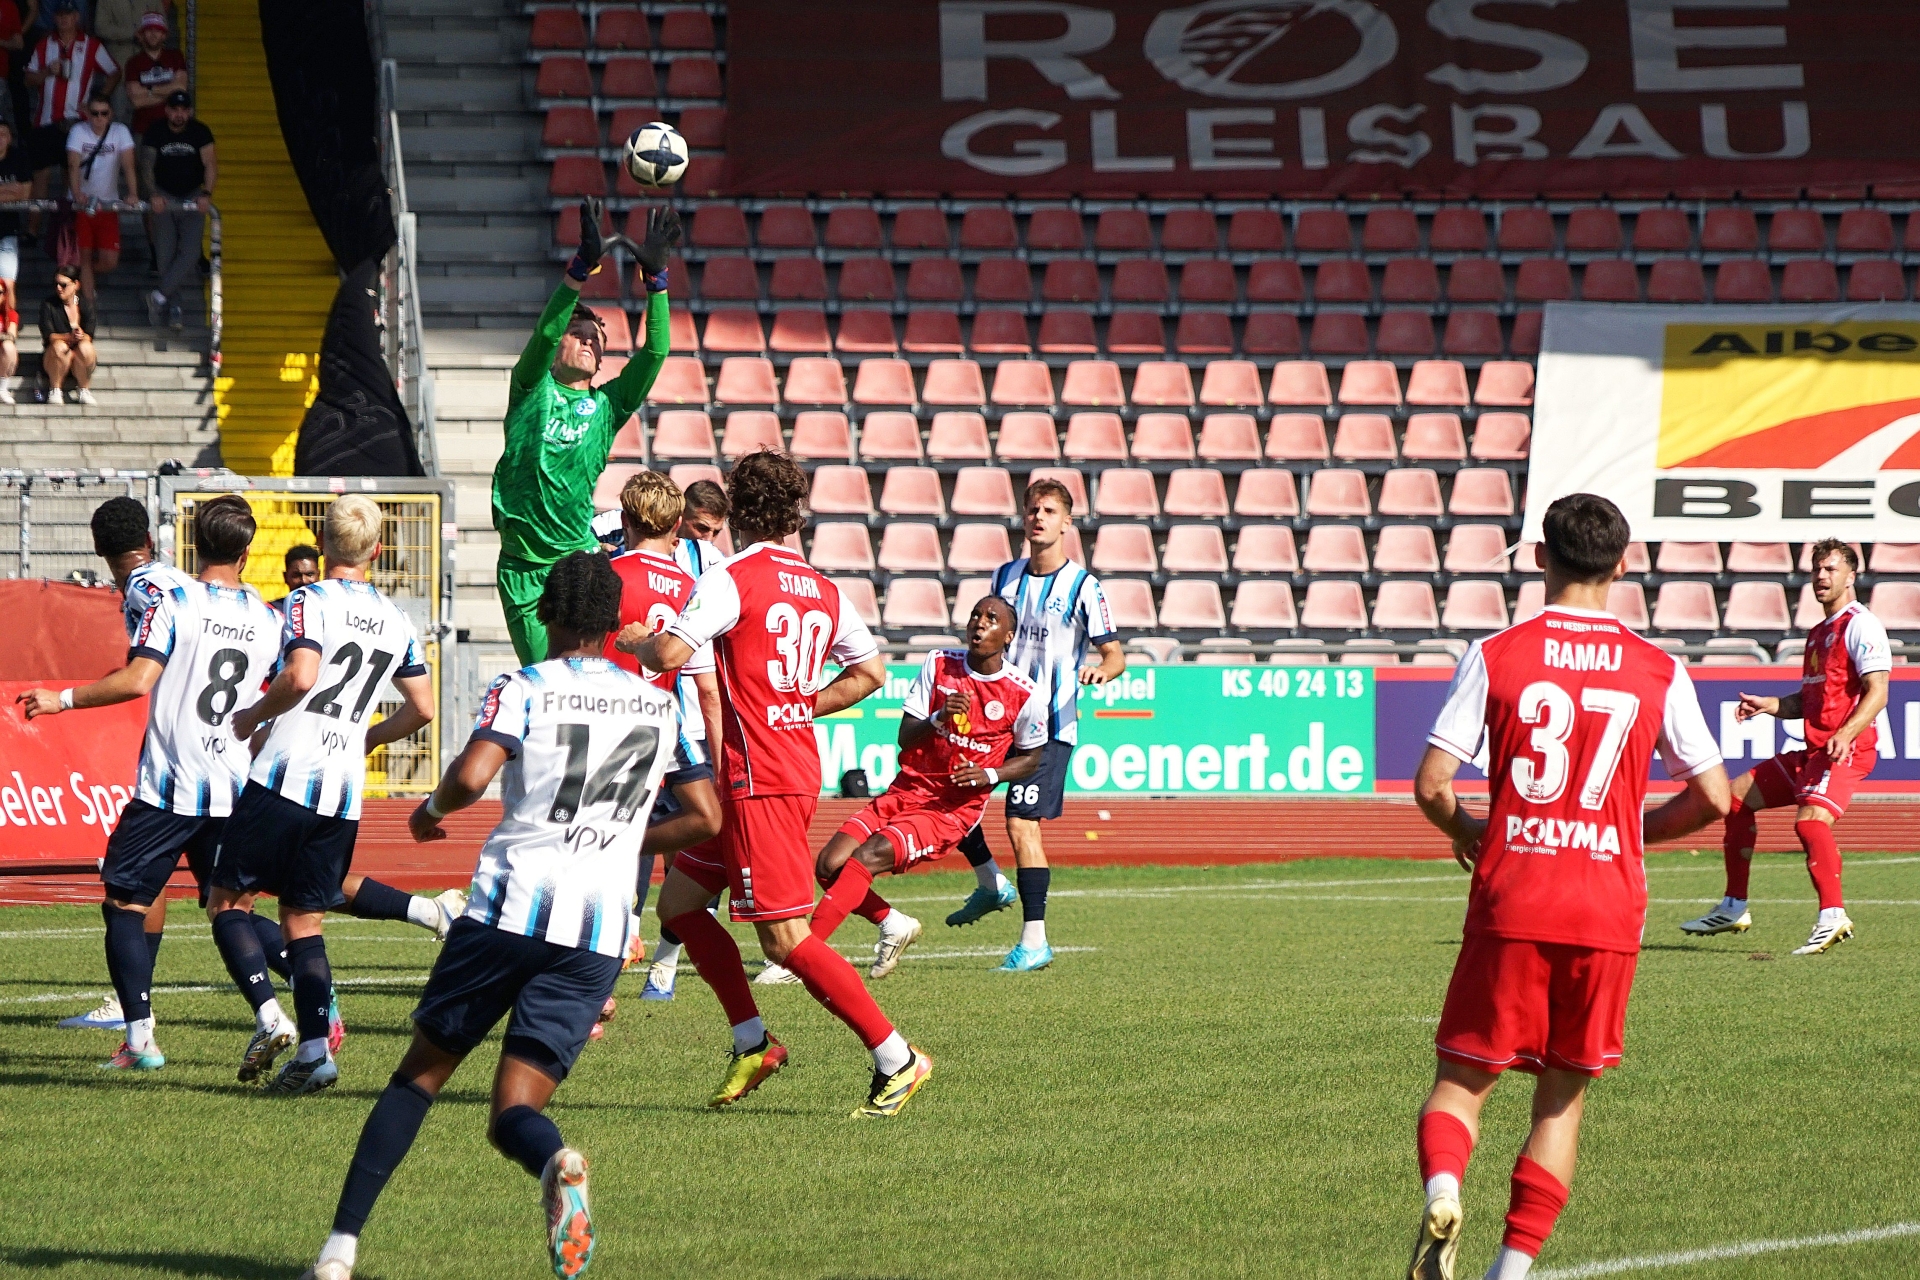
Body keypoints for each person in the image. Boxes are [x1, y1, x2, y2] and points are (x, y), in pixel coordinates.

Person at [299, 553, 706, 1280]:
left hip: (510, 909)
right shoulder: (661, 705)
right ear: (615, 623)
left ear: (546, 614)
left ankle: (338, 1253)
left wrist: (429, 811)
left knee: (418, 1078)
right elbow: (704, 816)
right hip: (598, 932)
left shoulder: (524, 686)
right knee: (513, 1109)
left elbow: (472, 774)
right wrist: (623, 837)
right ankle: (554, 1159)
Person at [1405, 493, 1729, 1280]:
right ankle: (1509, 1272)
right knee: (1560, 1099)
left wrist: (1471, 833)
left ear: (1540, 557)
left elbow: (1432, 784)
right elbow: (1715, 797)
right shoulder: (1659, 669)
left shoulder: (1496, 653)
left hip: (1514, 894)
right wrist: (1628, 832)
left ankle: (1445, 1190)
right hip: (1606, 906)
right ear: (1623, 565)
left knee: (1462, 1081)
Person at [618, 449, 933, 1118]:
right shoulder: (821, 587)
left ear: (736, 509)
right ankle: (753, 1042)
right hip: (779, 766)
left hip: (760, 776)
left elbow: (669, 653)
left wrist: (638, 637)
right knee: (678, 904)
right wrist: (796, 704)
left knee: (785, 940)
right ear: (793, 516)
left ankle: (897, 1057)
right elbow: (871, 673)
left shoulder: (731, 578)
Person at [18, 495, 281, 1070]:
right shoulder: (266, 615)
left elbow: (140, 678)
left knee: (124, 900)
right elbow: (286, 685)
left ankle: (138, 1036)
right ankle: (292, 1006)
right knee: (230, 908)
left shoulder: (164, 595)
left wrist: (63, 699)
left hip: (172, 780)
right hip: (232, 781)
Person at [205, 494, 435, 1095]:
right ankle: (314, 1053)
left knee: (228, 903)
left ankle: (272, 1021)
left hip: (286, 775)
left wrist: (254, 714)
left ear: (324, 543)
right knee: (304, 919)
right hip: (342, 792)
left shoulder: (309, 600)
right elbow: (423, 708)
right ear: (377, 550)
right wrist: (368, 736)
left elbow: (301, 676)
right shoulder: (396, 619)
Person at [810, 596, 1046, 980]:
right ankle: (894, 924)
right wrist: (938, 716)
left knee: (868, 856)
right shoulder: (939, 664)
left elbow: (1032, 758)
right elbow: (905, 737)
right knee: (828, 865)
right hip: (905, 790)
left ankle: (800, 956)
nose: (979, 622)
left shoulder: (1024, 693)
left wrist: (989, 775)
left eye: (991, 618)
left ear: (1008, 636)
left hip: (949, 810)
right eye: (975, 615)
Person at [946, 477, 1124, 971]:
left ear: (1067, 522)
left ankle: (1034, 941)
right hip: (997, 716)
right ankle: (990, 883)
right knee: (950, 795)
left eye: (1048, 511)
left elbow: (1115, 655)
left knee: (1021, 822)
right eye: (1032, 510)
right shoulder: (1004, 576)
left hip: (1049, 723)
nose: (1038, 517)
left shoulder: (1084, 586)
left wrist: (1101, 671)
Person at [1681, 539, 1891, 955]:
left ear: (1851, 576)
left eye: (1831, 569)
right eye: (1817, 569)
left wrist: (1846, 733)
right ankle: (1734, 906)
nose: (1821, 576)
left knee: (1810, 822)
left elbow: (1878, 691)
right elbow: (1809, 701)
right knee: (1734, 798)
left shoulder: (1861, 625)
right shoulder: (1818, 633)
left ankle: (1833, 915)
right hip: (1814, 749)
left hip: (1844, 750)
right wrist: (1770, 705)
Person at [493, 196, 678, 666]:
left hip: (577, 559)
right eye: (578, 333)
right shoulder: (531, 388)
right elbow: (544, 332)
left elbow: (655, 352)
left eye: (597, 339)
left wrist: (656, 281)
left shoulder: (607, 406)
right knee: (544, 675)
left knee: (586, 673)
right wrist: (579, 271)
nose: (588, 341)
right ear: (558, 347)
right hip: (523, 566)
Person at [602, 472, 720, 944]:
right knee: (699, 820)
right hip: (663, 725)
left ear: (625, 520)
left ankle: (608, 938)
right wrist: (719, 760)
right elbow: (707, 688)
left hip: (606, 721)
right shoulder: (693, 587)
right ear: (676, 527)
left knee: (589, 833)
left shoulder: (608, 575)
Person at [636, 473, 729, 1000]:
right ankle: (614, 951)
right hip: (645, 724)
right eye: (698, 528)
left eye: (715, 532)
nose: (705, 541)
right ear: (677, 520)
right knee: (633, 844)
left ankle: (663, 966)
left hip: (683, 727)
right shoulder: (635, 553)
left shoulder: (715, 571)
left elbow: (710, 680)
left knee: (685, 856)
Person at [24, 0, 117, 238]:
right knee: (40, 179)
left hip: (76, 124)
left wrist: (98, 100)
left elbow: (115, 72)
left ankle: (66, 232)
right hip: (45, 122)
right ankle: (32, 231)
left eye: (69, 14)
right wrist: (47, 71)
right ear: (54, 18)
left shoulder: (91, 45)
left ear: (77, 17)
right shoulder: (45, 44)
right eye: (60, 15)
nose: (64, 19)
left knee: (71, 179)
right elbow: (28, 79)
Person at [140, 87, 207, 331]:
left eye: (184, 110)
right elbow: (146, 163)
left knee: (191, 252)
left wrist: (207, 192)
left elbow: (210, 162)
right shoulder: (155, 130)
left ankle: (158, 296)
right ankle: (175, 307)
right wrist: (153, 194)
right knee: (165, 255)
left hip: (192, 195)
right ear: (167, 110)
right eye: (175, 109)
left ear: (189, 111)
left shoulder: (200, 131)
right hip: (165, 196)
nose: (179, 114)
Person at [66, 88, 135, 302]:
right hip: (82, 204)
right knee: (85, 255)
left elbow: (129, 165)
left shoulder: (120, 131)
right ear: (87, 113)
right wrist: (77, 193)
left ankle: (74, 275)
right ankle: (89, 306)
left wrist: (133, 193)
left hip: (107, 203)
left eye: (104, 113)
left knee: (109, 260)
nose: (99, 118)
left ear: (110, 114)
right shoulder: (78, 131)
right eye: (94, 113)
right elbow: (73, 164)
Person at [0, 116, 35, 341]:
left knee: (8, 282)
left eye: (3, 134)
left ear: (10, 138)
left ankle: (10, 326)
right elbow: (16, 191)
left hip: (8, 231)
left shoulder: (18, 158)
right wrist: (8, 190)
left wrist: (14, 192)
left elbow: (24, 193)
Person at [38, 260, 93, 402]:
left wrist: (81, 336)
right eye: (56, 284)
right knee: (59, 347)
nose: (59, 288)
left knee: (86, 347)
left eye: (63, 285)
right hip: (55, 356)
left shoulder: (85, 305)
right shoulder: (49, 305)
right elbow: (49, 336)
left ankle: (84, 389)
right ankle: (55, 389)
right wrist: (69, 337)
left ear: (76, 285)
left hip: (79, 356)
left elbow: (90, 334)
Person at [91, 0, 164, 86]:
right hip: (120, 60)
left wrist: (149, 36)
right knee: (121, 92)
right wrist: (131, 34)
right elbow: (101, 28)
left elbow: (163, 24)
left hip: (150, 59)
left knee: (154, 91)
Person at [274, 543, 319, 614]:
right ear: (285, 577)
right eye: (296, 575)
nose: (304, 581)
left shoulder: (329, 608)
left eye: (309, 575)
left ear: (318, 575)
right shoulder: (274, 611)